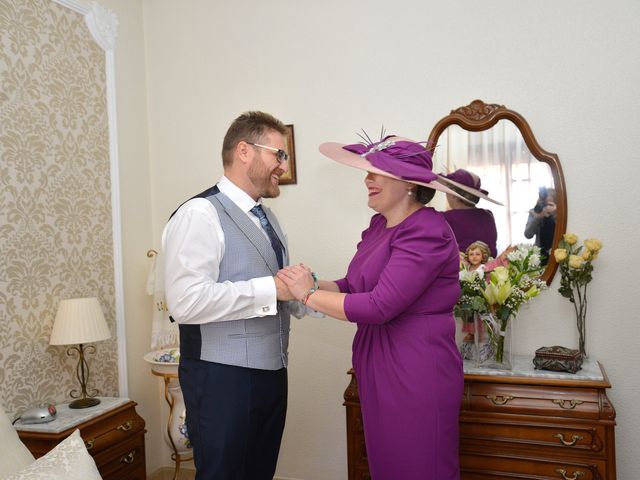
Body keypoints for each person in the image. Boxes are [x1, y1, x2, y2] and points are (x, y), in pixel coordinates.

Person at [277, 135, 465, 479]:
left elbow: (379, 306)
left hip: (415, 366)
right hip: (377, 362)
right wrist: (307, 283)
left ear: (409, 183)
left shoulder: (427, 230)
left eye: (376, 172)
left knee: (421, 466)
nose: (367, 180)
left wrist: (307, 295)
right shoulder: (380, 227)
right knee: (387, 465)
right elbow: (353, 287)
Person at [163, 111, 300, 480]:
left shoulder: (268, 217)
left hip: (272, 373)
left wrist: (314, 296)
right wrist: (273, 288)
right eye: (278, 155)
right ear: (244, 151)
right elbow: (186, 301)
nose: (282, 168)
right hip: (222, 378)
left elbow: (279, 288)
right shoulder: (199, 214)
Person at [437, 168, 501, 257]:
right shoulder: (488, 215)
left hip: (459, 269)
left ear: (454, 195)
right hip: (488, 269)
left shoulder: (446, 218)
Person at [524, 187, 556, 265]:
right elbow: (528, 234)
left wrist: (555, 213)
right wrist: (537, 218)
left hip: (557, 254)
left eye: (550, 204)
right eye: (545, 204)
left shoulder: (560, 212)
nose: (546, 207)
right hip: (539, 255)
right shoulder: (534, 212)